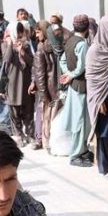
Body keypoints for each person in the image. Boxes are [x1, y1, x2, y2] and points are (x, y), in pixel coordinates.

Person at [86, 15, 108, 180]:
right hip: (102, 98)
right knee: (104, 133)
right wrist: (99, 100)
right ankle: (105, 167)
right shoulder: (94, 50)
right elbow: (92, 78)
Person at [59, 14, 93, 166]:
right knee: (80, 121)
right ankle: (75, 155)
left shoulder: (70, 40)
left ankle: (82, 150)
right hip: (80, 87)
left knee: (77, 120)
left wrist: (67, 74)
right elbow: (82, 67)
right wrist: (71, 75)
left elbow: (62, 61)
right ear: (87, 28)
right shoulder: (82, 44)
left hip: (74, 86)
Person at [3, 21, 35, 146]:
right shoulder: (5, 45)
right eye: (18, 31)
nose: (20, 34)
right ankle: (18, 135)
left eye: (21, 31)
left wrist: (22, 51)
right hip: (12, 83)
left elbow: (32, 62)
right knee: (14, 111)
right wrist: (11, 45)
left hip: (26, 82)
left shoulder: (27, 45)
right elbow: (7, 60)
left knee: (28, 110)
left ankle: (30, 134)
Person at [31, 22, 60, 152]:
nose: (36, 35)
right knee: (51, 117)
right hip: (54, 89)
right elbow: (39, 73)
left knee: (48, 117)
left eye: (38, 32)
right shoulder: (54, 47)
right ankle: (49, 142)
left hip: (49, 90)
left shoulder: (42, 49)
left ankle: (48, 142)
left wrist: (43, 94)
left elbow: (40, 74)